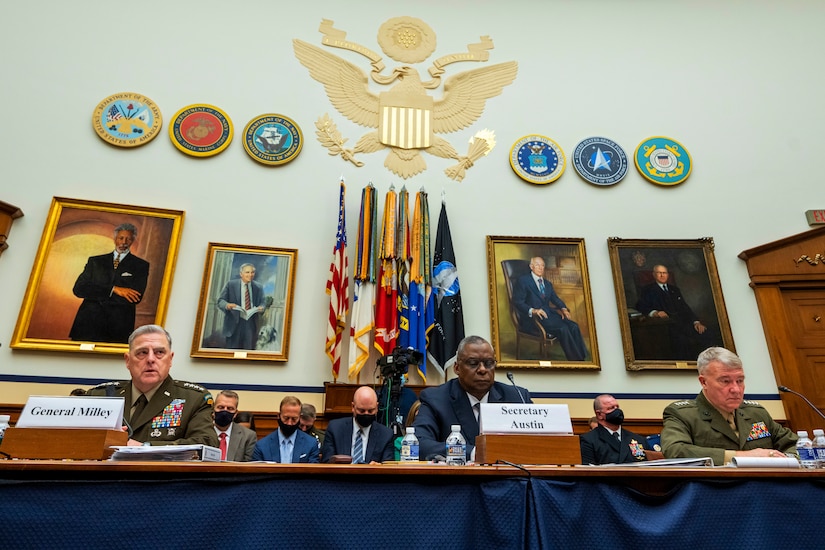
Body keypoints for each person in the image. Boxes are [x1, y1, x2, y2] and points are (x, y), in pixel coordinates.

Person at [661, 347, 798, 465]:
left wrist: (784, 460)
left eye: (740, 381)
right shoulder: (683, 414)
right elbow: (676, 451)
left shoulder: (755, 413)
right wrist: (743, 457)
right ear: (704, 382)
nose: (736, 389)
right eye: (725, 381)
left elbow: (798, 444)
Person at [85, 324, 217, 446]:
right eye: (142, 352)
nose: (150, 359)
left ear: (170, 359)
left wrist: (146, 448)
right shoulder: (100, 397)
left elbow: (206, 443)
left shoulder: (193, 399)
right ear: (128, 360)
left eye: (159, 352)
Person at [414, 335, 532, 461]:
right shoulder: (436, 399)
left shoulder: (517, 397)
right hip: (461, 478)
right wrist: (473, 453)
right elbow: (418, 443)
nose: (482, 369)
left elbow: (540, 443)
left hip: (511, 477)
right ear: (457, 368)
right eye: (473, 363)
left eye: (489, 364)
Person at [69, 223, 149, 343]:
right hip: (87, 325)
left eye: (128, 239)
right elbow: (79, 289)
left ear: (133, 241)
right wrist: (114, 289)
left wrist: (95, 293)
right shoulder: (95, 261)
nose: (124, 242)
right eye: (121, 238)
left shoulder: (141, 266)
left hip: (118, 328)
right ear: (115, 239)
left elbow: (135, 298)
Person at [510, 256, 587, 361]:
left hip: (549, 315)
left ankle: (583, 358)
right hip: (533, 319)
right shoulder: (523, 281)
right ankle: (575, 360)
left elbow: (555, 299)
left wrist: (563, 308)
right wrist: (533, 310)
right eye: (537, 265)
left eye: (542, 265)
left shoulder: (547, 283)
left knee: (574, 326)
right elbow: (518, 302)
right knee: (563, 329)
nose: (540, 267)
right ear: (531, 266)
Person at [634, 264, 716, 360]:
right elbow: (640, 306)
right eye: (659, 273)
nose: (662, 275)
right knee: (682, 341)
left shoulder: (674, 290)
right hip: (666, 326)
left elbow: (685, 308)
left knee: (707, 333)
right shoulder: (648, 290)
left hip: (683, 323)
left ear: (668, 275)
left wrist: (696, 322)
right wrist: (654, 312)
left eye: (664, 273)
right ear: (654, 275)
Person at [321, 386, 394, 463]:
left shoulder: (386, 435)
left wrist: (378, 468)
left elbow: (387, 466)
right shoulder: (335, 429)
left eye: (370, 411)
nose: (366, 414)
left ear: (377, 408)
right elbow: (327, 463)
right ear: (353, 407)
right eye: (362, 411)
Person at [579, 394, 655, 464]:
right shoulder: (588, 440)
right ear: (599, 415)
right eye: (611, 408)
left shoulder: (639, 440)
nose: (617, 411)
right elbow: (588, 472)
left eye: (617, 407)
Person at [252, 396, 319, 463]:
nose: (289, 423)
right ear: (278, 416)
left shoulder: (311, 444)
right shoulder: (262, 445)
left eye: (294, 419)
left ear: (299, 418)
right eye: (286, 418)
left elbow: (313, 471)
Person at [216, 263, 265, 349]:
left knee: (248, 350)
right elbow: (220, 301)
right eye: (247, 272)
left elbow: (263, 303)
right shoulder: (230, 285)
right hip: (233, 324)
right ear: (241, 274)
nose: (250, 275)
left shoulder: (258, 287)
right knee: (231, 351)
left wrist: (262, 308)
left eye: (252, 272)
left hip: (250, 324)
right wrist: (227, 305)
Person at [213, 390, 257, 462]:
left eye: (230, 408)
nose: (225, 411)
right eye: (221, 407)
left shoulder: (248, 436)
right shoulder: (201, 432)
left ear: (236, 413)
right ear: (213, 410)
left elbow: (247, 466)